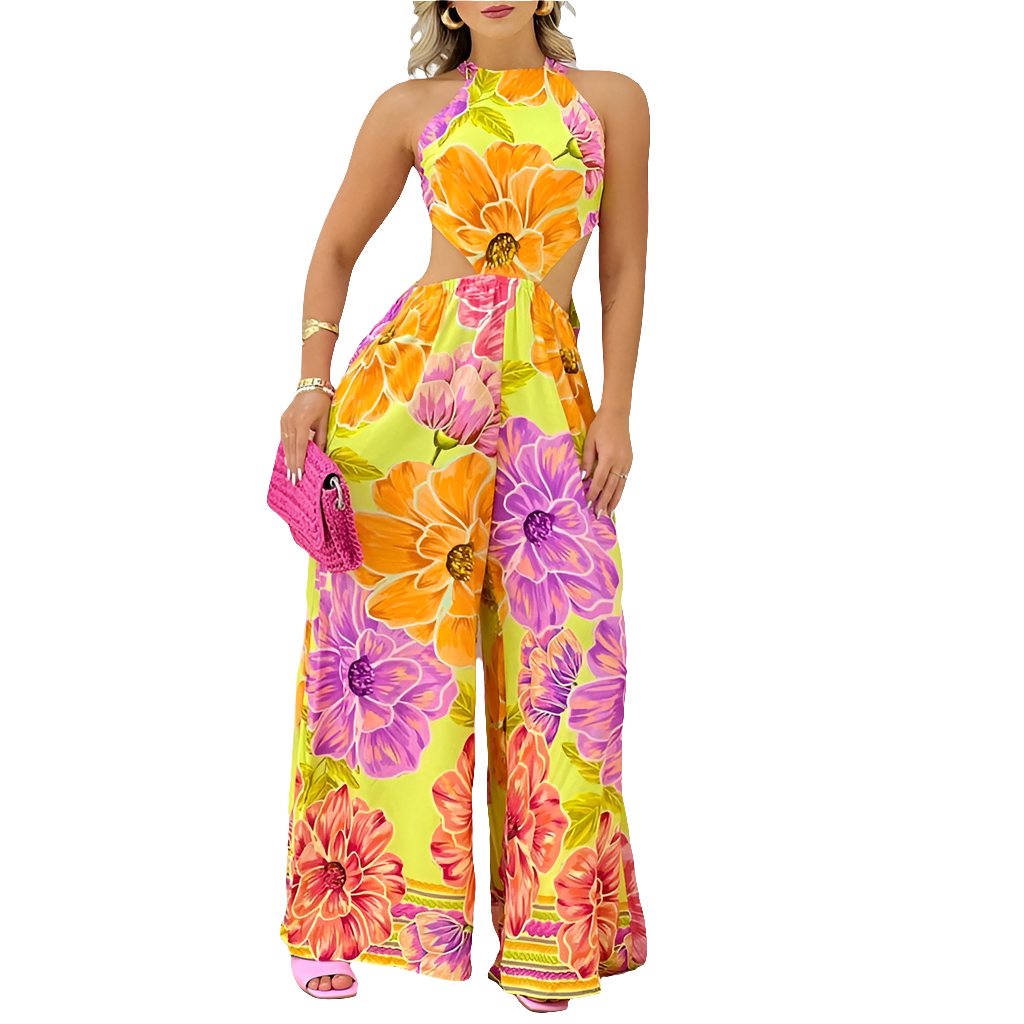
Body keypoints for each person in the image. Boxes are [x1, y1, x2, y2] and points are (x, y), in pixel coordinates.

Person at [276, 1, 649, 1012]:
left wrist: (617, 412)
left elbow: (621, 267)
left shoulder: (610, 103)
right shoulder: (410, 108)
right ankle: (343, 914)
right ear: (443, 3)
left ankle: (548, 936)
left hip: (549, 411)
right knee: (383, 665)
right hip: (412, 406)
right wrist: (311, 385)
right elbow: (335, 250)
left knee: (567, 669)